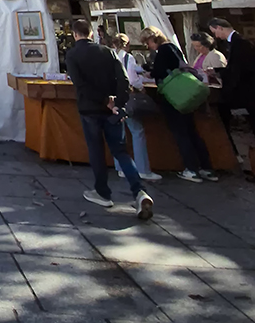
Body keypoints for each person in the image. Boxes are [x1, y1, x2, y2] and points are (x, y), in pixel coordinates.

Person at [65, 18, 154, 218]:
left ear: (75, 34)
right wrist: (118, 103)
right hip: (111, 110)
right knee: (120, 151)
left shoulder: (72, 55)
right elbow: (123, 80)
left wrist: (105, 101)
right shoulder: (108, 51)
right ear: (90, 33)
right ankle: (138, 190)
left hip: (90, 109)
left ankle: (103, 192)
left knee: (96, 150)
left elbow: (81, 85)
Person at [140, 26, 218, 183]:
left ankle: (191, 169)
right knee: (192, 131)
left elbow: (160, 71)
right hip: (185, 93)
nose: (147, 46)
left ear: (152, 38)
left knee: (180, 133)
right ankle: (207, 168)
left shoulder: (162, 50)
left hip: (173, 96)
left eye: (147, 42)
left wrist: (149, 73)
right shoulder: (173, 47)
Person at [110, 33, 161, 181]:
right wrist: (141, 86)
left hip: (114, 97)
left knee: (120, 133)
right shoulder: (128, 57)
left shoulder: (110, 56)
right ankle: (143, 169)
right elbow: (131, 79)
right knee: (137, 131)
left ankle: (120, 167)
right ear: (126, 44)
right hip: (128, 97)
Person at [207, 16, 255, 148]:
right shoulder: (236, 42)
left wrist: (227, 90)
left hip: (247, 89)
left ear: (220, 28)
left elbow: (237, 69)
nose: (215, 36)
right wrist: (217, 70)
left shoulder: (239, 43)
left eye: (214, 32)